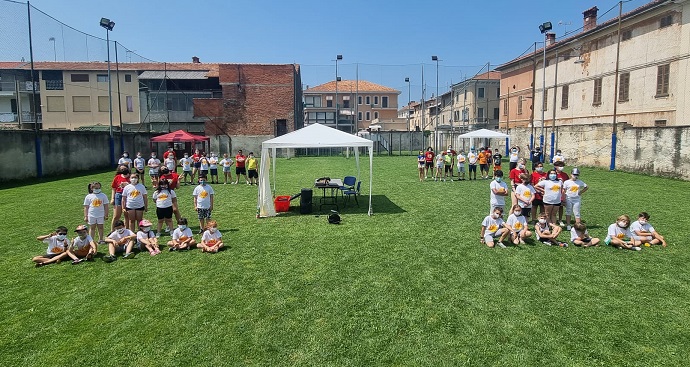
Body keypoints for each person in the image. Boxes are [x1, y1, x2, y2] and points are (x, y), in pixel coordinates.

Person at [110, 165, 131, 233]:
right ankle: (112, 230)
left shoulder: (131, 177)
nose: (123, 170)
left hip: (128, 196)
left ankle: (127, 230)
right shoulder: (117, 177)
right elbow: (113, 188)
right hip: (119, 195)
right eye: (121, 169)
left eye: (124, 168)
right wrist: (112, 198)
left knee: (126, 214)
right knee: (116, 215)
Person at [554, 160, 569, 226]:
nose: (561, 167)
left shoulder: (565, 175)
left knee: (560, 207)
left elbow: (568, 183)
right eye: (560, 166)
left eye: (562, 166)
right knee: (553, 207)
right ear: (556, 166)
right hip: (554, 192)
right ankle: (553, 219)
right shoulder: (552, 174)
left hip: (562, 192)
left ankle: (560, 219)